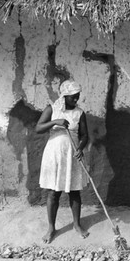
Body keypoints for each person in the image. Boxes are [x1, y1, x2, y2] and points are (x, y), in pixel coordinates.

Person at [36, 80, 89, 244]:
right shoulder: (52, 109)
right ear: (65, 96)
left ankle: (77, 224)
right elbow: (38, 128)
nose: (76, 99)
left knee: (74, 191)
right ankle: (51, 228)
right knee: (53, 192)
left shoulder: (79, 113)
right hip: (55, 155)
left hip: (72, 155)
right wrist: (55, 122)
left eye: (77, 96)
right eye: (73, 96)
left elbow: (85, 135)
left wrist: (80, 148)